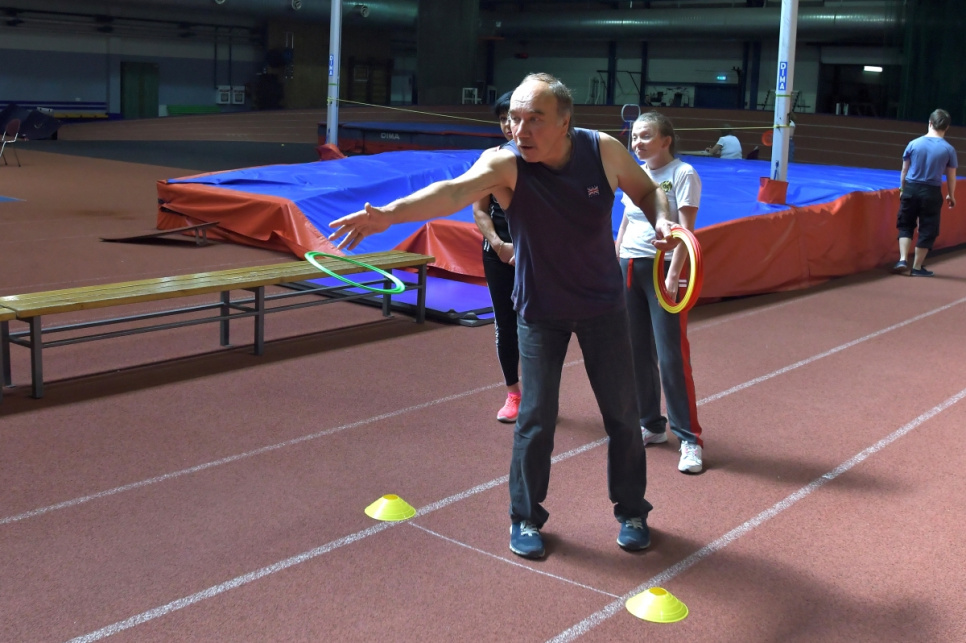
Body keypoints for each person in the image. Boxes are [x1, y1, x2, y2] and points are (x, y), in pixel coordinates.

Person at [329, 73, 675, 560]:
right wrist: (388, 214)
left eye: (535, 119)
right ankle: (525, 518)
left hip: (602, 306)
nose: (521, 130)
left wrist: (663, 219)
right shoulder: (505, 164)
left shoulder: (602, 151)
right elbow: (451, 192)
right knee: (535, 420)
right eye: (515, 118)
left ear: (565, 123)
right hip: (540, 309)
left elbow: (648, 192)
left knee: (622, 416)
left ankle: (633, 511)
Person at [616, 112, 705, 474]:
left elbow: (686, 230)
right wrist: (615, 260)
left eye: (646, 136)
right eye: (634, 137)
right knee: (636, 353)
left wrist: (673, 273)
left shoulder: (683, 173)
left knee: (670, 356)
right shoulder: (635, 174)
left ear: (666, 140)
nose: (637, 143)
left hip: (661, 268)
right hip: (629, 267)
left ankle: (689, 439)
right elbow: (626, 222)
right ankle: (651, 424)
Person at [472, 91, 521, 423]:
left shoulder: (541, 160)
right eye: (502, 119)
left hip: (537, 256)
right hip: (499, 254)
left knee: (539, 326)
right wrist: (500, 245)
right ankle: (514, 393)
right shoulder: (490, 158)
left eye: (512, 118)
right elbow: (479, 210)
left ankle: (542, 393)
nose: (507, 125)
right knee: (506, 323)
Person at [892, 108, 957, 277]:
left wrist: (902, 189)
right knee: (928, 228)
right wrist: (951, 194)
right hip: (931, 191)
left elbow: (904, 170)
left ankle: (902, 259)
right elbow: (951, 176)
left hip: (911, 188)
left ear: (930, 123)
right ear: (947, 127)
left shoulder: (913, 144)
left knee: (906, 223)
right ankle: (917, 266)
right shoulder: (949, 149)